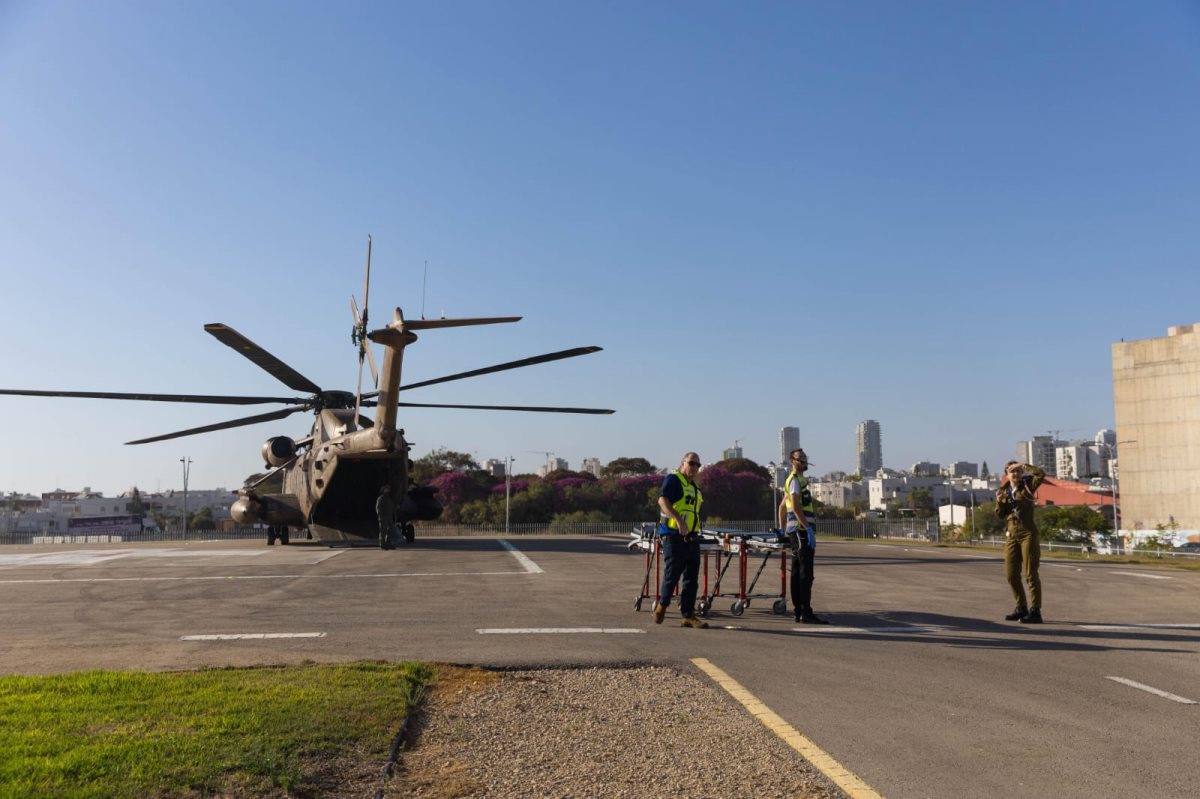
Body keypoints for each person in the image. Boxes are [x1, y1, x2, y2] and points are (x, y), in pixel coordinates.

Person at [652, 452, 708, 628]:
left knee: (692, 578)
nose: (695, 467)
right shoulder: (674, 479)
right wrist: (678, 519)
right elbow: (662, 500)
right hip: (672, 534)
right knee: (673, 573)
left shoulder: (695, 488)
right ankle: (662, 605)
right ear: (683, 464)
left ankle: (688, 615)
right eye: (691, 463)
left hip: (691, 537)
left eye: (698, 465)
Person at [780, 448, 829, 624]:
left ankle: (799, 611)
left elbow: (782, 507)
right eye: (801, 458)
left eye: (806, 458)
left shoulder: (799, 481)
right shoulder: (794, 481)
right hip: (801, 531)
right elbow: (794, 505)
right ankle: (805, 612)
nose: (804, 461)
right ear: (792, 461)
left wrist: (782, 527)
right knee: (805, 573)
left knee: (796, 571)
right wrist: (807, 528)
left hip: (797, 530)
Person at [995, 461, 1046, 623]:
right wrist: (1000, 501)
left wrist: (1024, 465)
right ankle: (1021, 607)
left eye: (1018, 471)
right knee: (1011, 574)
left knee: (1031, 574)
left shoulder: (1028, 485)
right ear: (1006, 475)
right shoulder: (1004, 490)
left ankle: (1035, 611)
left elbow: (1040, 474)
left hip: (1027, 534)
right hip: (1011, 535)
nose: (1016, 474)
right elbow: (1000, 515)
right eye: (1012, 472)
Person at [376, 484, 396, 550]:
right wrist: (380, 517)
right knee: (383, 532)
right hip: (383, 518)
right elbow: (378, 508)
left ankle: (388, 543)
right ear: (383, 490)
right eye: (386, 489)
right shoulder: (380, 499)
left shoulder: (389, 499)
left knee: (391, 531)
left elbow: (392, 508)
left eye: (388, 489)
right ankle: (382, 544)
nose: (387, 490)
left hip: (389, 518)